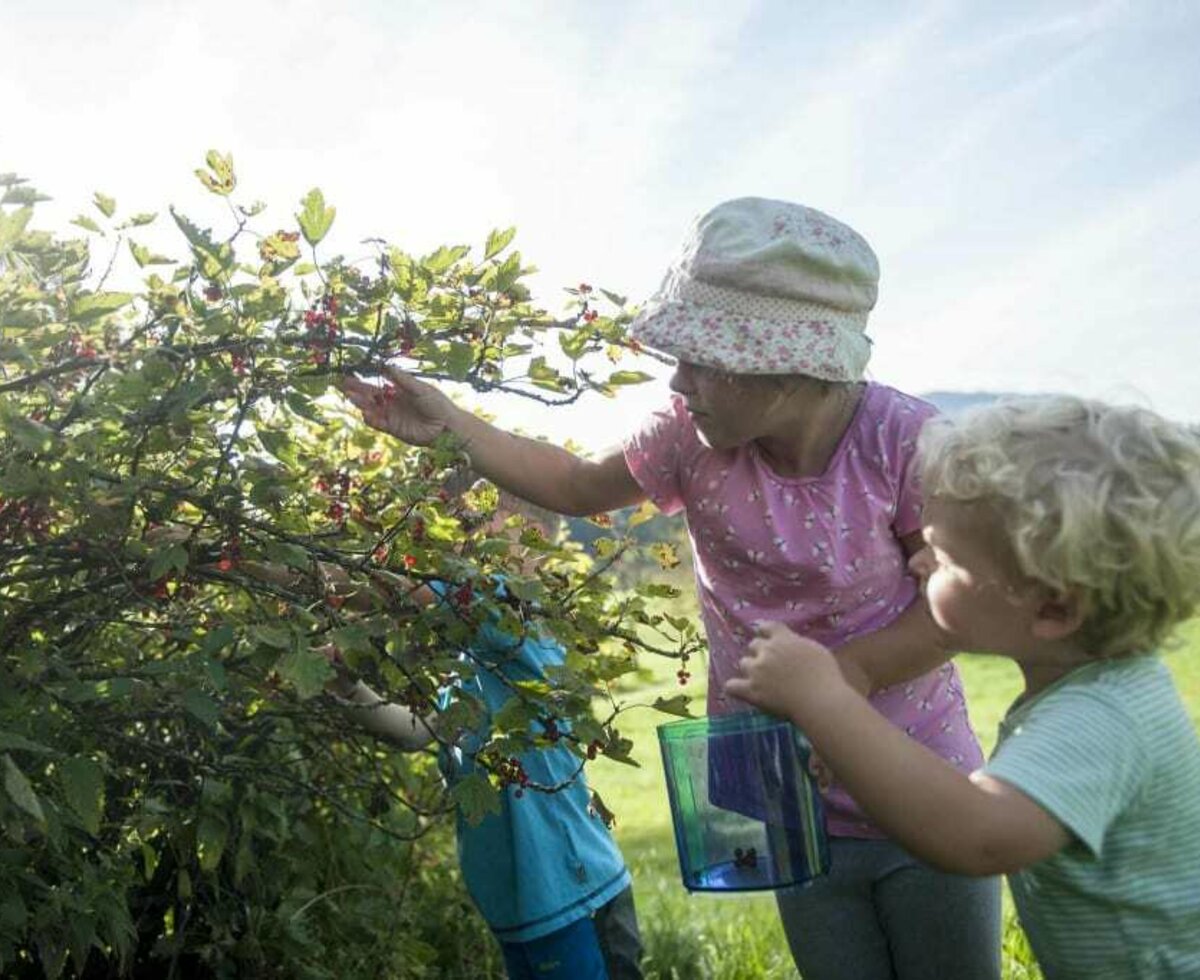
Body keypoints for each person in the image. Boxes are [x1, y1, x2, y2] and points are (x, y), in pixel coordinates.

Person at [344, 197, 1001, 979]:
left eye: (702, 357)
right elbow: (577, 482)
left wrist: (846, 676)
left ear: (787, 366)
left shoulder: (904, 443)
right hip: (789, 795)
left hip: (918, 782)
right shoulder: (691, 437)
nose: (678, 377)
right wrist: (449, 423)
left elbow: (962, 608)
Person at [727, 395, 1200, 979]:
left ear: (1053, 607)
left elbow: (977, 837)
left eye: (947, 557)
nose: (920, 564)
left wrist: (824, 698)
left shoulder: (1101, 718)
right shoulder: (1105, 687)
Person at [246, 487, 643, 980]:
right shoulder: (472, 659)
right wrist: (345, 684)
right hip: (520, 908)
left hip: (575, 897)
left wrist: (244, 557)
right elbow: (416, 732)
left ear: (533, 539)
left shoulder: (510, 610)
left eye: (485, 522)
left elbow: (376, 589)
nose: (465, 535)